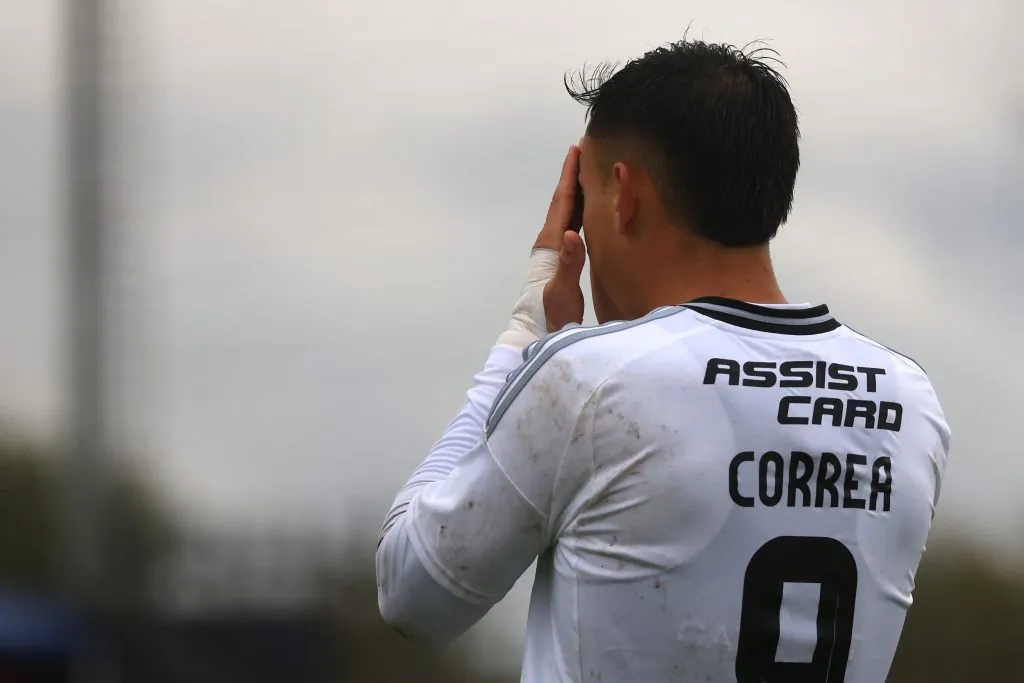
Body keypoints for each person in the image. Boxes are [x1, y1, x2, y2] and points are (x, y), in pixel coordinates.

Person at [375, 38, 950, 683]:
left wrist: (526, 331)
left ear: (623, 195)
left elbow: (413, 590)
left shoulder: (590, 380)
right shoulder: (908, 399)